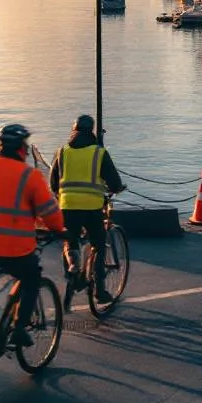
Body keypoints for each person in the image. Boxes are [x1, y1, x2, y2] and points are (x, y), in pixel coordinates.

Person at [0, 124, 65, 347]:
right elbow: (49, 213)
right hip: (15, 249)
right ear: (19, 149)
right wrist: (59, 230)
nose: (27, 151)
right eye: (25, 147)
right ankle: (18, 328)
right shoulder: (30, 176)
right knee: (31, 278)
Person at [49, 114, 124, 309]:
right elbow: (114, 181)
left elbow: (53, 183)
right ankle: (100, 290)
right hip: (92, 207)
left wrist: (62, 195)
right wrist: (116, 188)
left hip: (67, 206)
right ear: (91, 131)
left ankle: (74, 271)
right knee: (99, 245)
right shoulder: (99, 153)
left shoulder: (62, 152)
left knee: (70, 241)